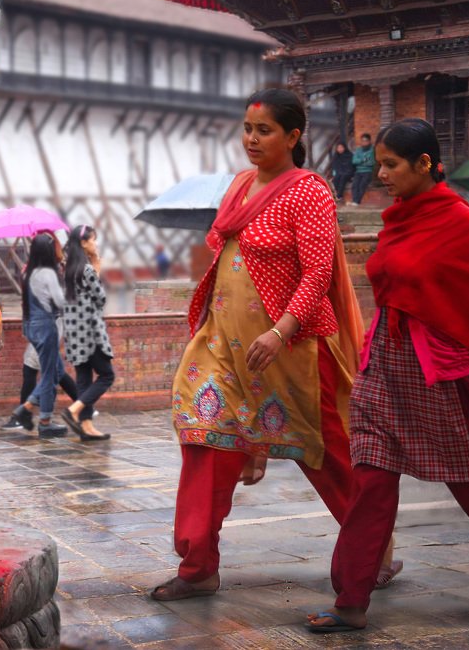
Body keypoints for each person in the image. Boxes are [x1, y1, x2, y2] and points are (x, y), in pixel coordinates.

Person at [307, 118, 469, 633]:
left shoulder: (459, 222)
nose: (381, 174)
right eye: (379, 163)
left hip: (438, 371)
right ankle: (351, 601)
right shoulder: (399, 219)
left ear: (425, 164)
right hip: (385, 366)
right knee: (371, 479)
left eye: (391, 164)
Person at [151, 88, 399, 602]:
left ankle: (371, 552)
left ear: (293, 136)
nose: (252, 140)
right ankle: (198, 565)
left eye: (263, 131)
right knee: (203, 439)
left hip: (292, 348)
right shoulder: (240, 185)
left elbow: (316, 274)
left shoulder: (309, 191)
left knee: (326, 451)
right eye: (247, 129)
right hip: (222, 345)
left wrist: (280, 329)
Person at [60, 225, 115, 441]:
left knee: (83, 378)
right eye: (93, 240)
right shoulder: (88, 270)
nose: (96, 244)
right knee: (107, 375)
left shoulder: (69, 270)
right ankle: (74, 410)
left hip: (75, 335)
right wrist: (98, 266)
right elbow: (100, 299)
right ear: (83, 243)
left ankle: (87, 426)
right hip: (90, 335)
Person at [12, 234, 69, 438]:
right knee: (49, 375)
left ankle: (33, 412)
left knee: (53, 371)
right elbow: (60, 302)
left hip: (31, 327)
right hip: (46, 327)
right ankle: (41, 419)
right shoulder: (47, 273)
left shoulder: (29, 273)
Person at [350, 133, 375, 206]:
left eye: (366, 140)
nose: (364, 142)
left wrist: (361, 161)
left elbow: (371, 162)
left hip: (367, 171)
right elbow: (354, 161)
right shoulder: (358, 150)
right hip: (358, 171)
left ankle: (357, 201)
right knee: (354, 185)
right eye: (362, 141)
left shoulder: (372, 151)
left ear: (369, 141)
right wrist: (363, 160)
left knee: (362, 185)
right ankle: (354, 201)